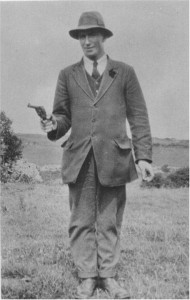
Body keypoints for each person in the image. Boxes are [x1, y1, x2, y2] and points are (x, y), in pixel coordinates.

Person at [41, 11, 154, 299]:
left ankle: (109, 277)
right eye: (81, 35)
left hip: (115, 159)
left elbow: (138, 116)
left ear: (104, 37)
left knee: (109, 221)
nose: (86, 40)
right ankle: (87, 277)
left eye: (92, 34)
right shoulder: (67, 75)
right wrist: (53, 124)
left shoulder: (124, 72)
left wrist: (143, 157)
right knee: (80, 220)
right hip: (79, 159)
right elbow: (62, 118)